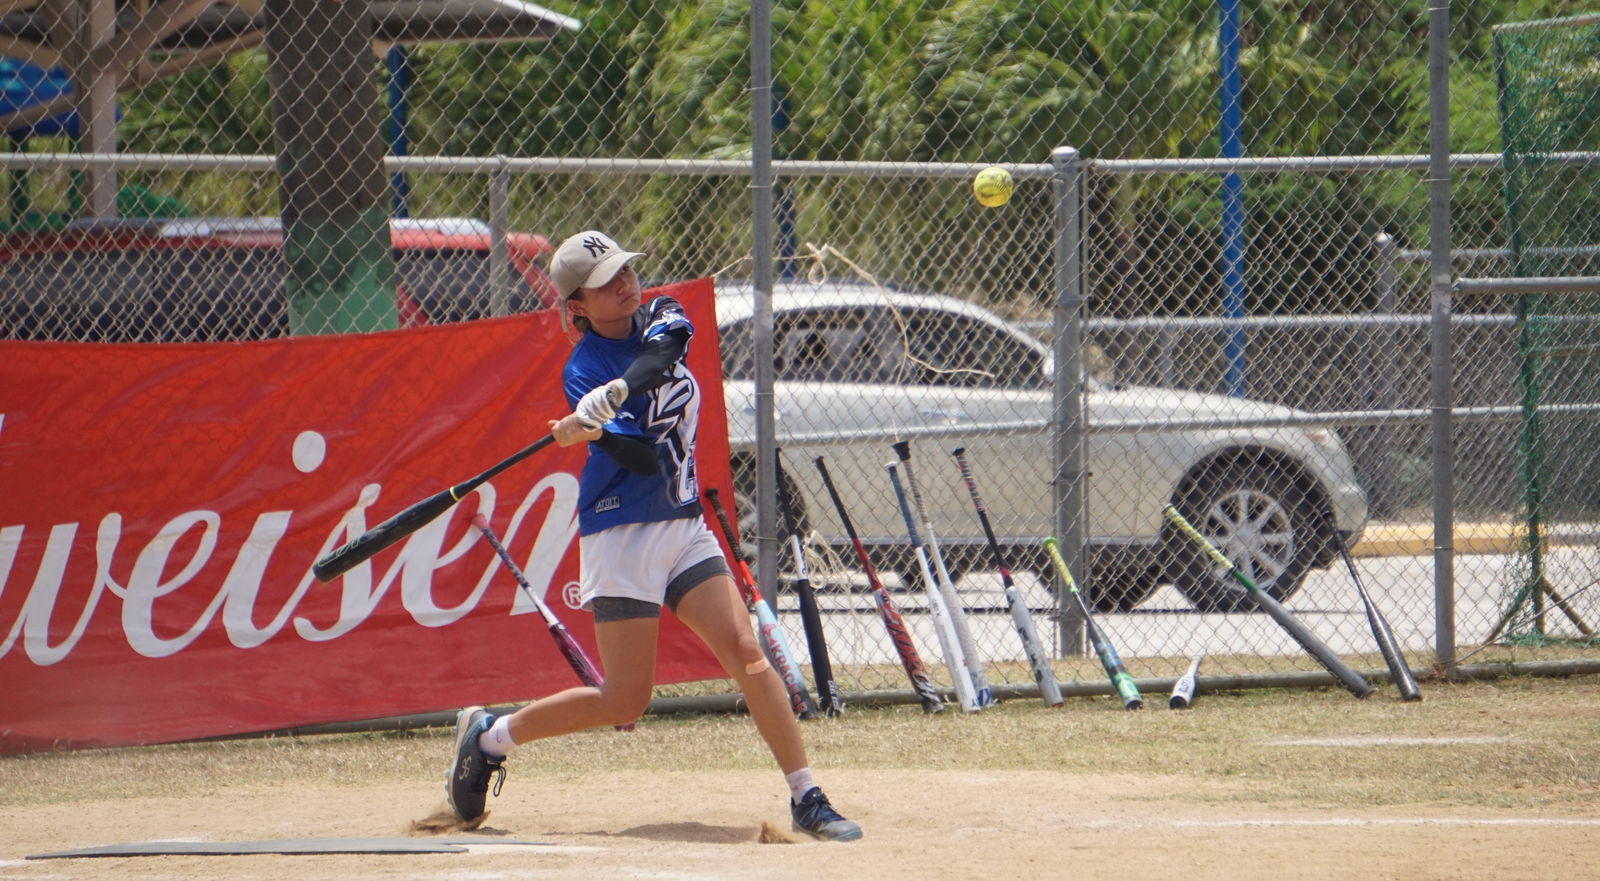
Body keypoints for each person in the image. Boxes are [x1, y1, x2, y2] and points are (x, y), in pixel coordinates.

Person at [443, 230, 862, 843]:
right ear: (577, 306)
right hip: (621, 530)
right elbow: (642, 460)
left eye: (625, 270)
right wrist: (598, 435)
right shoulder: (582, 369)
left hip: (684, 524)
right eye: (606, 280)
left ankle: (807, 796)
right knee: (624, 701)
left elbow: (664, 356)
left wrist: (620, 393)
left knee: (748, 654)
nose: (625, 283)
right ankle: (488, 737)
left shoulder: (663, 312)